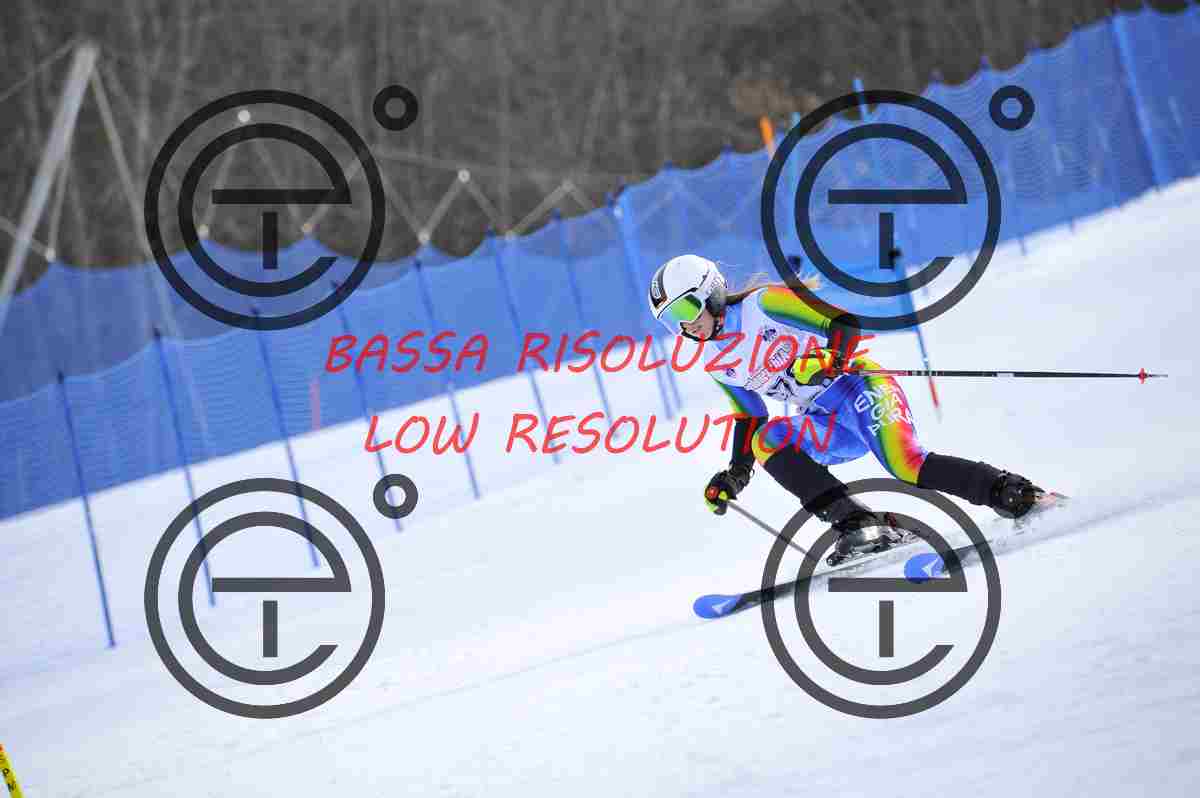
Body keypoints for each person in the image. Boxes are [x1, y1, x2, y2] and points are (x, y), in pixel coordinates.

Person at [647, 253, 1050, 563]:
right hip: (826, 422)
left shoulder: (763, 305)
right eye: (671, 321)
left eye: (686, 311)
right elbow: (751, 417)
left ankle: (1012, 492)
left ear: (712, 293)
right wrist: (735, 475)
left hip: (861, 388)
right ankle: (859, 524)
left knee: (907, 464)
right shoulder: (716, 362)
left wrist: (830, 359)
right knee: (766, 440)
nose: (685, 326)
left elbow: (843, 323)